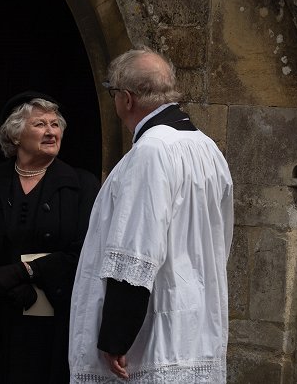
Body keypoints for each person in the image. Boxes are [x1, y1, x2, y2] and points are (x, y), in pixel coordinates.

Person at [69, 47, 234, 383]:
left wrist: (116, 337)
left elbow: (136, 252)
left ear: (126, 99)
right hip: (197, 322)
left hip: (154, 334)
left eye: (113, 93)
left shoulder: (151, 152)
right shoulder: (207, 147)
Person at [0, 91, 100, 384]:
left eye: (55, 124)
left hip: (52, 326)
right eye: (40, 124)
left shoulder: (81, 186)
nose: (51, 131)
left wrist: (28, 271)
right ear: (15, 135)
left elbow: (87, 255)